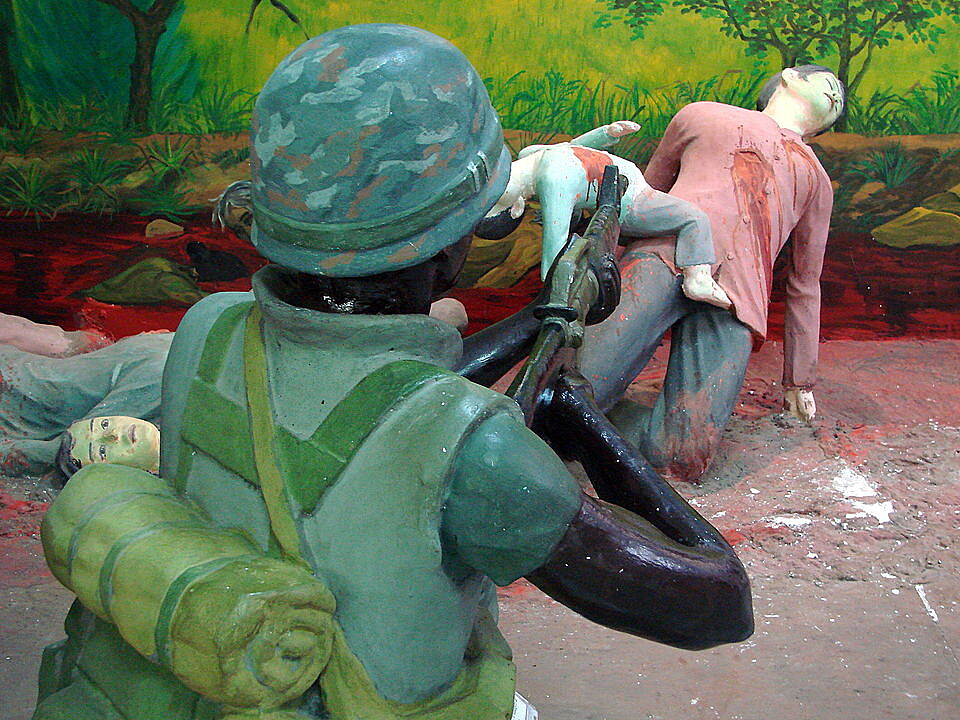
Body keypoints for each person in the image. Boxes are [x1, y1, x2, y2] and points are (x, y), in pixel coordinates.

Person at [34, 25, 751, 720]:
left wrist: (540, 317)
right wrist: (579, 419)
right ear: (453, 244)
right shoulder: (481, 454)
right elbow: (716, 603)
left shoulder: (207, 330)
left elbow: (362, 406)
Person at [575, 65, 844, 483]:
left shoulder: (816, 177)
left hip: (738, 298)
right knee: (578, 387)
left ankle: (605, 433)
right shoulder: (702, 115)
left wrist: (800, 379)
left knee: (682, 458)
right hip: (663, 256)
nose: (837, 95)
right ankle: (577, 422)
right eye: (828, 82)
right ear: (791, 76)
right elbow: (641, 197)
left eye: (840, 99)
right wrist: (604, 276)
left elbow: (805, 283)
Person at [481, 121, 730, 307]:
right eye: (496, 200)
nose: (494, 187)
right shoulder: (554, 180)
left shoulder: (529, 154)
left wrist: (606, 133)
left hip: (632, 185)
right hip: (632, 202)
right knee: (694, 218)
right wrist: (555, 287)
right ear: (517, 208)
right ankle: (697, 278)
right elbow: (555, 250)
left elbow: (571, 147)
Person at [0, 332, 172, 477]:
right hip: (12, 404)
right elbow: (66, 452)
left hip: (17, 367)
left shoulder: (176, 342)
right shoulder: (162, 381)